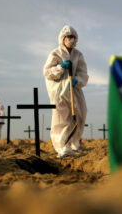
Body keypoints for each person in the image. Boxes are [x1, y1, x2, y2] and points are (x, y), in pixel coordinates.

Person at [43, 25, 88, 158]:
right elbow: (47, 72)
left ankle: (74, 144)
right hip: (60, 91)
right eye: (69, 37)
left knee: (80, 114)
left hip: (74, 90)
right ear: (63, 39)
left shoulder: (78, 55)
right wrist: (60, 67)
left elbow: (83, 73)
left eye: (74, 37)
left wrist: (77, 80)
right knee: (62, 118)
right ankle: (62, 147)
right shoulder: (55, 54)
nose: (72, 40)